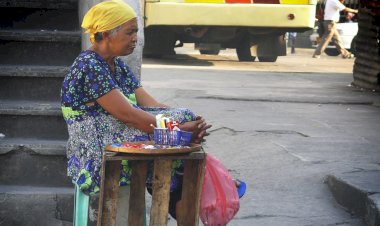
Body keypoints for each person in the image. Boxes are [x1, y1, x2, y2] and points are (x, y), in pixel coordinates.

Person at [60, 0, 212, 219]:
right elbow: (128, 115)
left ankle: (178, 197)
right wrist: (177, 130)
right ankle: (180, 201)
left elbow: (152, 104)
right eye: (129, 32)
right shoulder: (89, 66)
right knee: (176, 133)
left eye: (136, 32)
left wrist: (181, 122)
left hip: (117, 130)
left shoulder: (117, 65)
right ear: (106, 34)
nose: (135, 39)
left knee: (184, 115)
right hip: (95, 144)